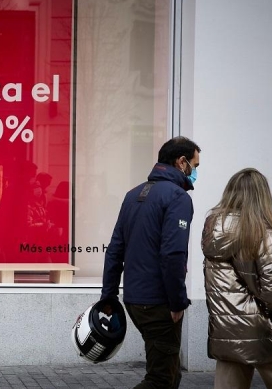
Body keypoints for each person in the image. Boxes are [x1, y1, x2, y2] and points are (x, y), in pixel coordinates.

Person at [100, 136, 201, 388]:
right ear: (181, 162)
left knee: (170, 372)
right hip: (159, 303)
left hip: (135, 300)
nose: (196, 172)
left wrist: (109, 297)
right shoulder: (178, 198)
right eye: (195, 165)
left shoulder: (133, 195)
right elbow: (173, 254)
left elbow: (114, 250)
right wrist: (177, 301)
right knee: (160, 379)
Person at [202, 168, 272, 389]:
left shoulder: (213, 230)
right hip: (266, 332)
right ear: (262, 196)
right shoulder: (261, 230)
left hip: (227, 331)